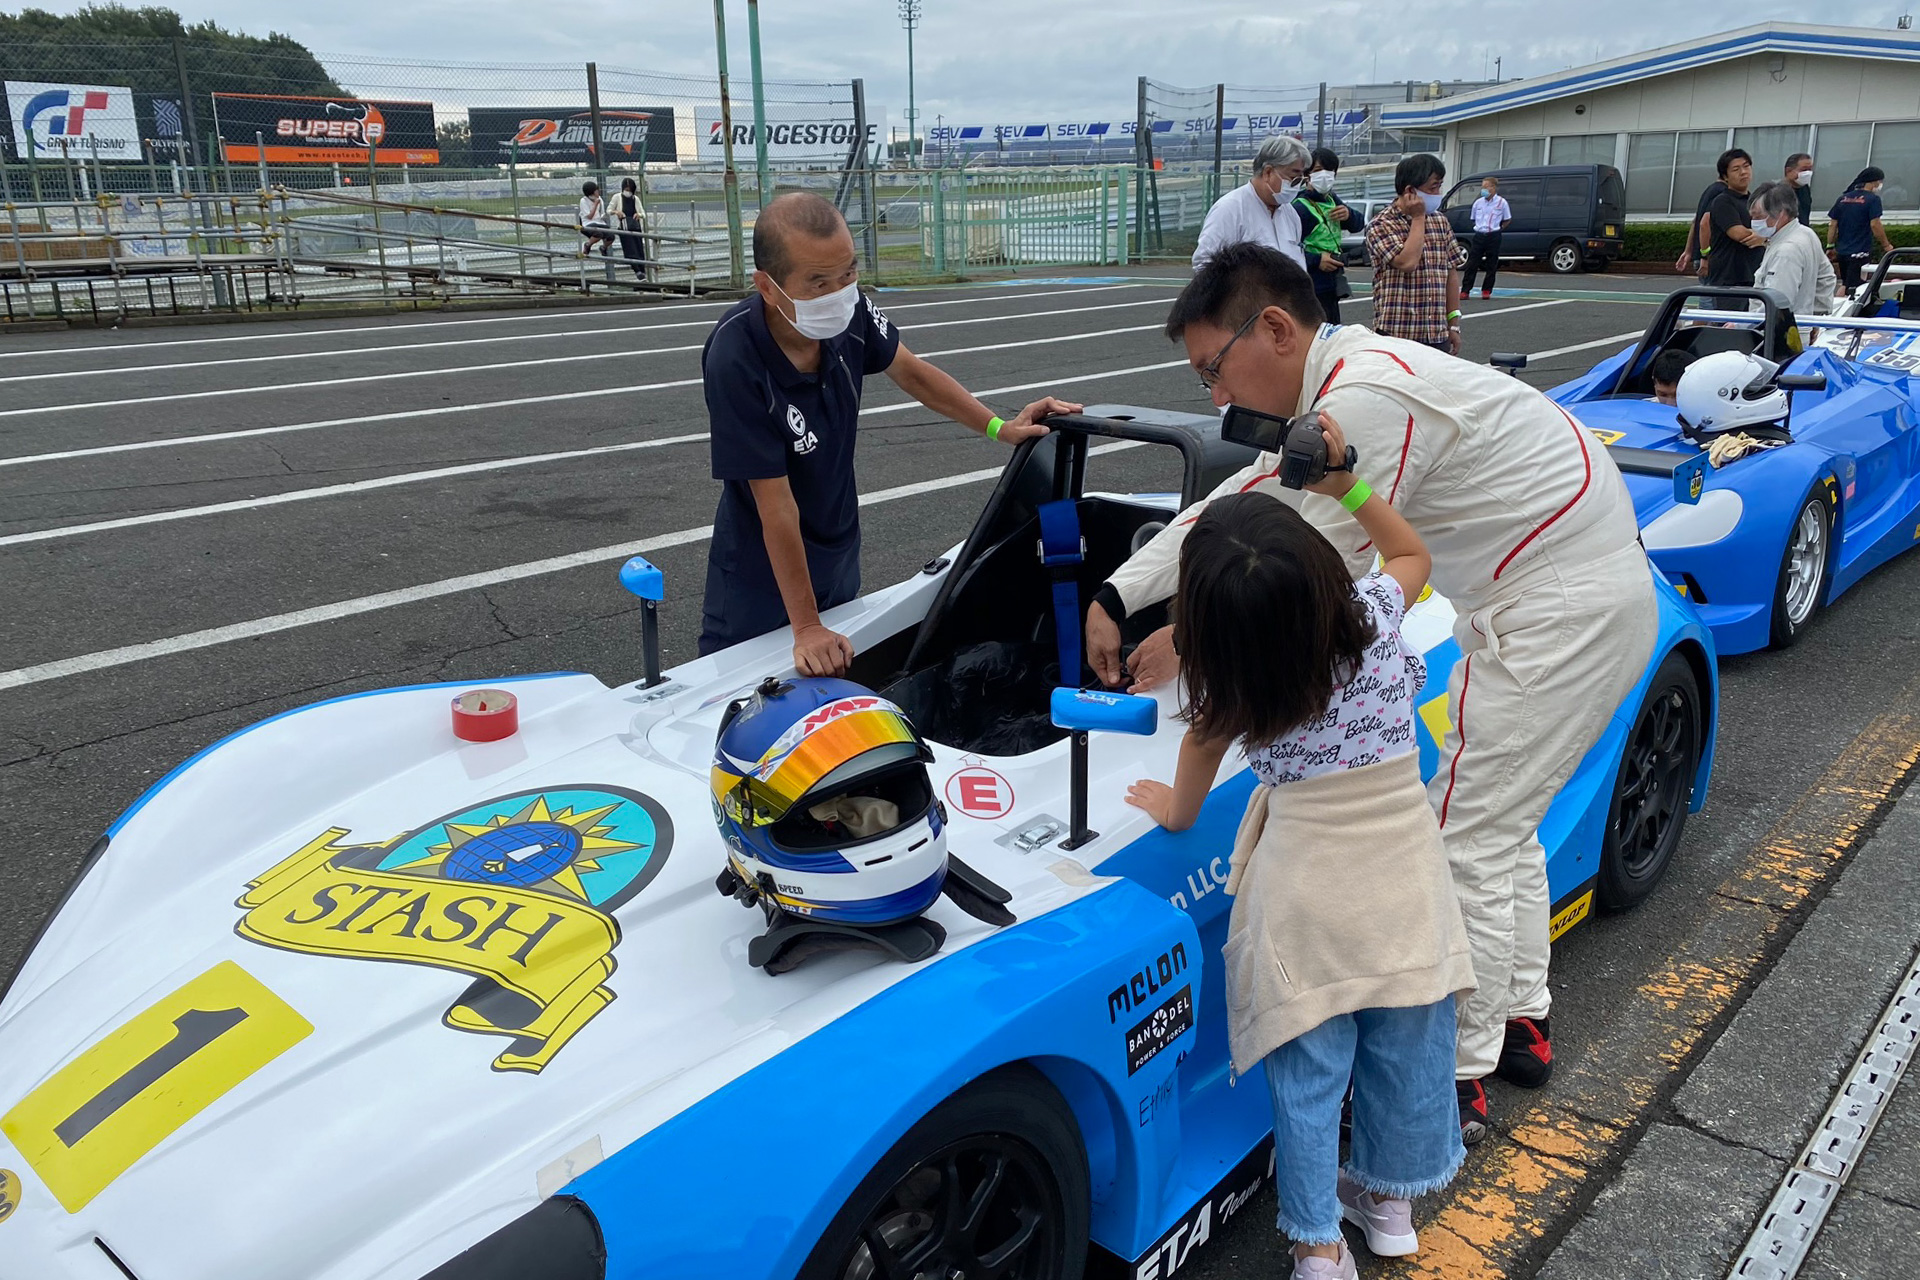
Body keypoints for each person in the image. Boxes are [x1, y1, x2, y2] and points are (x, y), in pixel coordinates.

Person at [1084, 243, 1658, 1144]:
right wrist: (1123, 589)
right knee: (1500, 824)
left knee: (1462, 837)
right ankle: (1522, 1019)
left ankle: (1451, 1078)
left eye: (1212, 369)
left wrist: (1187, 633)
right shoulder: (1349, 380)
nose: (1213, 395)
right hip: (1573, 596)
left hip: (1554, 611)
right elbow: (1252, 492)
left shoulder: (1363, 401)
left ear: (1273, 329)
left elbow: (1293, 565)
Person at [1126, 479, 1472, 1280]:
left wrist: (1171, 812)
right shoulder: (1373, 615)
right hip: (1404, 879)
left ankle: (1318, 1247)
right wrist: (1348, 482)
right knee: (1407, 1048)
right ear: (1321, 570)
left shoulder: (1234, 690)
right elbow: (1411, 550)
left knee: (1308, 1074)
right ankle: (1389, 1211)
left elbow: (1190, 787)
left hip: (1303, 895)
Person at [699, 192, 1080, 671]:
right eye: (818, 283)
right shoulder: (736, 354)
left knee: (834, 697)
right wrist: (807, 626)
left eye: (849, 273)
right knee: (735, 693)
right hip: (761, 571)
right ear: (768, 287)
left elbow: (912, 371)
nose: (839, 293)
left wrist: (1001, 427)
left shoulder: (850, 313)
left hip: (837, 547)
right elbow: (775, 504)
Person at [1365, 153, 1467, 353]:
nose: (1438, 193)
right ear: (1410, 191)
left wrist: (1453, 324)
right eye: (1433, 187)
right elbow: (1407, 262)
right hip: (1397, 333)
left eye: (1440, 186)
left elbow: (1451, 274)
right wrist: (1418, 218)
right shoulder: (1381, 224)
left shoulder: (1440, 221)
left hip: (1436, 333)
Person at [1194, 134, 1312, 271]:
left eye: (1301, 180)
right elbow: (1205, 265)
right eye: (1293, 178)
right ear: (1268, 172)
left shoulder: (1290, 214)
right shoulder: (1230, 209)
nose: (1297, 186)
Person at [1294, 147, 1361, 324]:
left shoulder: (1332, 199)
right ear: (1307, 175)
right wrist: (1316, 260)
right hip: (1311, 285)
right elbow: (1286, 250)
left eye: (1330, 171)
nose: (1324, 175)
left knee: (1332, 331)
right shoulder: (1299, 207)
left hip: (1332, 283)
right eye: (1317, 171)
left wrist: (1349, 214)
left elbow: (1358, 225)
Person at [1751, 180, 1837, 316]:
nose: (1754, 221)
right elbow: (1826, 277)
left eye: (1759, 216)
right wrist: (1816, 317)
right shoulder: (1806, 233)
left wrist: (1741, 325)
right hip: (1800, 326)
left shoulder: (1786, 251)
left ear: (1781, 213)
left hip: (1778, 332)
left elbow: (1777, 303)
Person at [1701, 150, 1764, 288]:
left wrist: (1764, 238)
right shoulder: (1722, 201)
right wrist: (1766, 238)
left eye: (1746, 166)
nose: (1743, 172)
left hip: (1754, 274)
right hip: (1729, 278)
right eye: (1736, 169)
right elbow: (1740, 234)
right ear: (1725, 177)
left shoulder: (1755, 201)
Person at [1827, 167, 1895, 294]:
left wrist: (1830, 246)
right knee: (1854, 287)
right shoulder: (1873, 199)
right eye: (1880, 182)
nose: (1880, 185)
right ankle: (1842, 311)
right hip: (1860, 251)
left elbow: (1832, 225)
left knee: (1845, 283)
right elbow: (1875, 225)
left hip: (1842, 251)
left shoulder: (1843, 198)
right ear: (1873, 182)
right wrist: (1887, 245)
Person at [1460, 175, 1512, 300]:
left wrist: (1499, 228)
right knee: (1472, 263)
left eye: (1486, 187)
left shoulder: (1502, 203)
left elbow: (1507, 219)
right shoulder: (1478, 203)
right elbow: (1473, 219)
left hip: (1493, 235)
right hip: (1479, 235)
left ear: (1493, 188)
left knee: (1491, 264)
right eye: (1482, 187)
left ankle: (1487, 290)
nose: (1483, 189)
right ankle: (1465, 290)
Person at [613, 176, 646, 281]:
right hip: (624, 227)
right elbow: (609, 210)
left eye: (630, 190)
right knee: (630, 251)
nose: (628, 192)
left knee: (639, 250)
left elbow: (643, 213)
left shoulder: (635, 199)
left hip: (635, 227)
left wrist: (638, 214)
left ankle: (643, 272)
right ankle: (637, 271)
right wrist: (617, 212)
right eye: (626, 190)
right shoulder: (617, 197)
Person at [578, 180, 615, 257]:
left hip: (599, 222)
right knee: (598, 233)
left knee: (611, 235)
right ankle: (588, 245)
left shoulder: (600, 199)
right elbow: (589, 216)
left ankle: (603, 247)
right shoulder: (583, 201)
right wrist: (595, 204)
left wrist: (605, 215)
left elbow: (601, 213)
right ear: (591, 192)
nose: (598, 191)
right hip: (588, 223)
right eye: (596, 190)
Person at [1785, 152, 1815, 226]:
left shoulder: (1805, 189)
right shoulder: (1778, 192)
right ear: (1788, 171)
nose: (1807, 173)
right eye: (1804, 170)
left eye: (1810, 169)